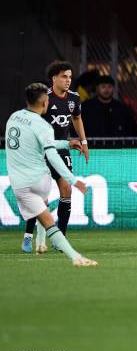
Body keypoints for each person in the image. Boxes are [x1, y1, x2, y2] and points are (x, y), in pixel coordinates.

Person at [6, 83, 97, 266]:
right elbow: (53, 157)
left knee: (45, 217)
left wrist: (66, 144)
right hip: (38, 179)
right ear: (45, 102)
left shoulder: (14, 118)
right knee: (47, 213)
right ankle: (58, 250)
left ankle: (49, 247)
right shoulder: (42, 125)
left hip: (18, 184)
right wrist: (73, 180)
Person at [22, 61, 89, 252]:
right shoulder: (44, 99)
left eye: (69, 77)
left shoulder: (74, 99)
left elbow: (77, 118)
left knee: (66, 189)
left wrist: (84, 143)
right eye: (64, 77)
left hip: (61, 151)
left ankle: (60, 238)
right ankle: (28, 235)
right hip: (40, 152)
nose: (68, 80)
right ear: (54, 78)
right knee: (40, 196)